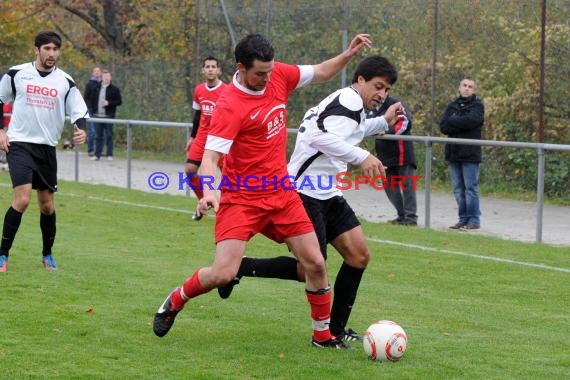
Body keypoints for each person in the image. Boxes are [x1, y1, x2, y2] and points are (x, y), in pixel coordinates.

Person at [153, 33, 373, 349]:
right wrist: (209, 192)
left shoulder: (276, 74)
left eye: (269, 71)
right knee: (222, 274)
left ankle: (322, 335)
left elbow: (322, 72)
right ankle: (176, 299)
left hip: (281, 193)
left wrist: (348, 54)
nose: (267, 78)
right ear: (241, 68)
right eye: (260, 73)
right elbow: (211, 159)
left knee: (315, 263)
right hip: (242, 199)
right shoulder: (230, 105)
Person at [214, 55, 405, 342]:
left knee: (358, 256)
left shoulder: (352, 103)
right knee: (309, 271)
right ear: (360, 80)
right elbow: (318, 137)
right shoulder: (349, 100)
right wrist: (363, 155)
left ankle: (336, 332)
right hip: (305, 192)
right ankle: (241, 267)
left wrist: (382, 124)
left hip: (328, 193)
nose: (382, 95)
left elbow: (347, 131)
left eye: (387, 91)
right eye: (378, 87)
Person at [0, 30, 89, 272]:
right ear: (36, 49)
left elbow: (79, 111)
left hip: (47, 148)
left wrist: (81, 129)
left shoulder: (65, 81)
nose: (52, 54)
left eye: (55, 49)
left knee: (47, 205)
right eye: (47, 49)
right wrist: (1, 131)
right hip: (19, 144)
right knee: (23, 198)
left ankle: (47, 255)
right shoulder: (17, 73)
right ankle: (2, 255)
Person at [184, 56, 228, 220]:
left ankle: (226, 210)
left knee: (227, 176)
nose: (210, 69)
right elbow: (197, 115)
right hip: (202, 136)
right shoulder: (199, 90)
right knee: (189, 170)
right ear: (203, 70)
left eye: (213, 66)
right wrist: (192, 137)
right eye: (207, 66)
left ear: (219, 70)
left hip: (221, 137)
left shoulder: (227, 90)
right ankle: (204, 201)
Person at [439, 76, 484, 230]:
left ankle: (474, 220)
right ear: (459, 87)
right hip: (454, 152)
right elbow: (444, 127)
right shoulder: (452, 106)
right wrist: (459, 121)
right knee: (458, 188)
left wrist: (454, 120)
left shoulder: (478, 106)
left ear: (474, 90)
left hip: (470, 153)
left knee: (470, 188)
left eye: (470, 86)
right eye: (464, 85)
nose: (466, 88)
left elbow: (472, 121)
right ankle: (463, 219)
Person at [367, 96, 418, 226]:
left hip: (402, 153)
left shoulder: (396, 105)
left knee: (408, 186)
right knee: (389, 186)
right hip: (384, 155)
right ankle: (401, 216)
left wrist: (388, 131)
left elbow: (405, 123)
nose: (379, 93)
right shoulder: (371, 106)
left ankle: (411, 218)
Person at [90, 69, 122, 161]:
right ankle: (97, 155)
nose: (106, 78)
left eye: (108, 76)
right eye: (104, 77)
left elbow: (119, 101)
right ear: (102, 78)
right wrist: (92, 109)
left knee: (109, 135)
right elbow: (91, 99)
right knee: (98, 136)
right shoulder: (96, 88)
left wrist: (109, 103)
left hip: (109, 116)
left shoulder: (115, 89)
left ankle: (110, 154)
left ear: (110, 78)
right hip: (97, 116)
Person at [84, 66, 101, 157]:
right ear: (93, 73)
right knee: (92, 131)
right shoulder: (90, 84)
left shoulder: (103, 84)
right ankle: (90, 150)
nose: (97, 72)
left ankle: (98, 150)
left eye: (98, 71)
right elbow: (85, 97)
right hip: (91, 110)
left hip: (100, 111)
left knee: (99, 132)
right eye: (95, 71)